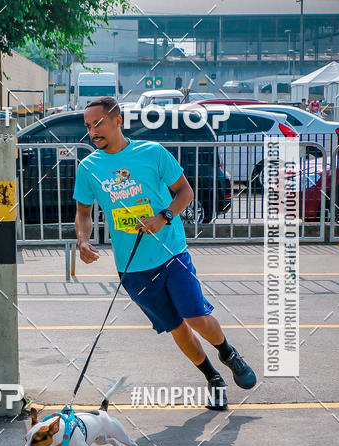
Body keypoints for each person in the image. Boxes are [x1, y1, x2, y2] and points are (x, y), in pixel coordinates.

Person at [73, 97, 256, 409]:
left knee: (195, 316)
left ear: (117, 121)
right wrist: (83, 240)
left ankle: (227, 352)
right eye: (88, 127)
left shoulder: (152, 152)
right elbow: (84, 212)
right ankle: (212, 378)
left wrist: (163, 217)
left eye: (98, 123)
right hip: (132, 268)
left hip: (171, 252)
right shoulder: (89, 168)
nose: (93, 132)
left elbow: (185, 192)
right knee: (176, 326)